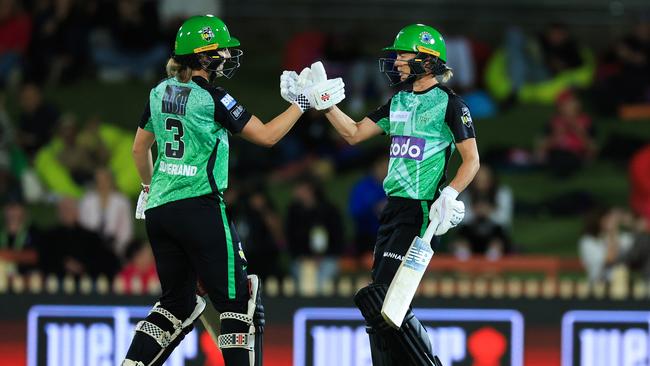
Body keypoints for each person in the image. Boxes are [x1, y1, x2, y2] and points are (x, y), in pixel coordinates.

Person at [123, 15, 344, 366]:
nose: (227, 56)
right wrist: (303, 102)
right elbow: (269, 136)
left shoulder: (158, 92)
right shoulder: (214, 98)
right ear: (204, 56)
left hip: (159, 210)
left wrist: (148, 188)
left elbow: (139, 149)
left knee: (175, 303)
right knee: (239, 302)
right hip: (200, 208)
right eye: (221, 51)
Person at [290, 24, 480, 366]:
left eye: (403, 56)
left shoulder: (450, 104)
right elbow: (353, 133)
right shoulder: (400, 101)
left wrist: (449, 194)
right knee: (379, 310)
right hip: (392, 210)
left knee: (387, 303)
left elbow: (472, 160)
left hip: (422, 211)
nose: (397, 63)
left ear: (426, 60)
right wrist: (325, 103)